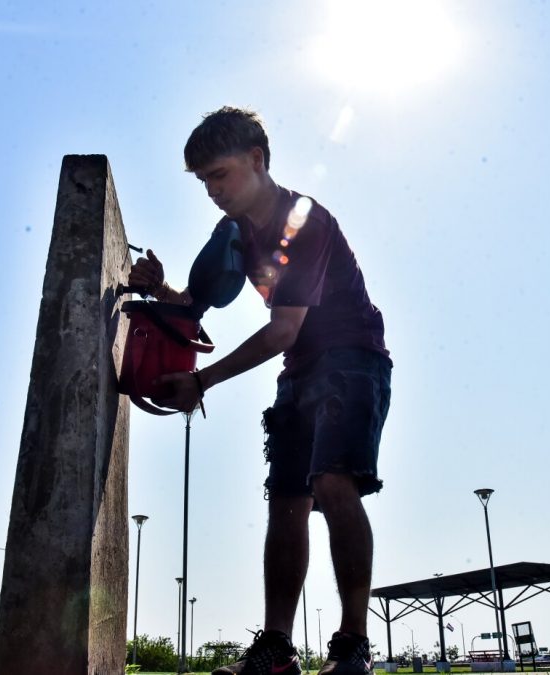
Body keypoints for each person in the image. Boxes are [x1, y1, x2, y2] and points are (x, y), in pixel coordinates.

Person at [128, 106, 391, 675]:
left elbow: (283, 327)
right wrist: (161, 287)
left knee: (332, 486)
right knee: (286, 504)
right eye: (202, 182)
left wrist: (202, 381)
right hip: (298, 368)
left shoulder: (305, 220)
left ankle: (352, 647)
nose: (212, 191)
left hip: (351, 358)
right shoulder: (235, 231)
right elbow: (195, 308)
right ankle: (275, 651)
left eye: (219, 175)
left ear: (257, 159)